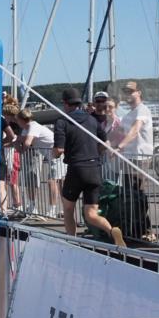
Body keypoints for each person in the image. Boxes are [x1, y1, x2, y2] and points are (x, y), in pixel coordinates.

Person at [53, 88, 124, 246]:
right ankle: (112, 231)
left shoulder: (62, 121)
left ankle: (71, 240)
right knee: (91, 213)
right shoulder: (92, 120)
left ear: (65, 103)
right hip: (94, 169)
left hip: (76, 169)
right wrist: (95, 154)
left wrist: (54, 154)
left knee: (68, 208)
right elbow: (104, 143)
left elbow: (59, 149)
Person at [112, 80, 155, 240]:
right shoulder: (129, 114)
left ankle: (147, 230)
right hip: (128, 158)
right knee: (129, 195)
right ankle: (134, 229)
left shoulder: (142, 110)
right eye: (125, 91)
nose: (127, 94)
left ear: (139, 93)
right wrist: (103, 146)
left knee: (138, 194)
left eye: (131, 91)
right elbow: (117, 133)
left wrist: (120, 146)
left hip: (139, 158)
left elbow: (135, 130)